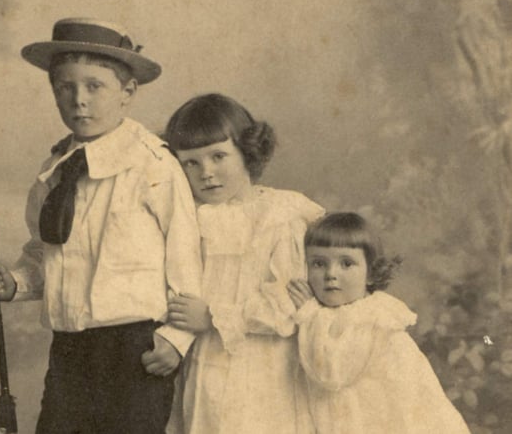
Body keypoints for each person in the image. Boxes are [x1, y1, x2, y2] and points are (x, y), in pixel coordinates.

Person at [0, 18, 202, 434]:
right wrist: (15, 283)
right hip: (71, 352)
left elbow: (187, 257)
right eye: (65, 87)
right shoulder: (54, 172)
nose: (79, 100)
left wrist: (177, 338)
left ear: (127, 93)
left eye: (94, 86)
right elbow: (45, 250)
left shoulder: (152, 166)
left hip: (136, 350)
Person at [163, 93, 324, 434]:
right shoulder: (186, 217)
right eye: (190, 163)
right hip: (203, 361)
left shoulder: (279, 216)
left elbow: (288, 303)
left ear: (247, 152)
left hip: (265, 365)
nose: (206, 173)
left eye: (218, 156)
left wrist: (213, 315)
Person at [288, 212, 471, 433]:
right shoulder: (330, 315)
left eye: (346, 264)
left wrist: (308, 314)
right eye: (318, 264)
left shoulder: (371, 318)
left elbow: (331, 372)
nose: (331, 274)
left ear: (371, 274)